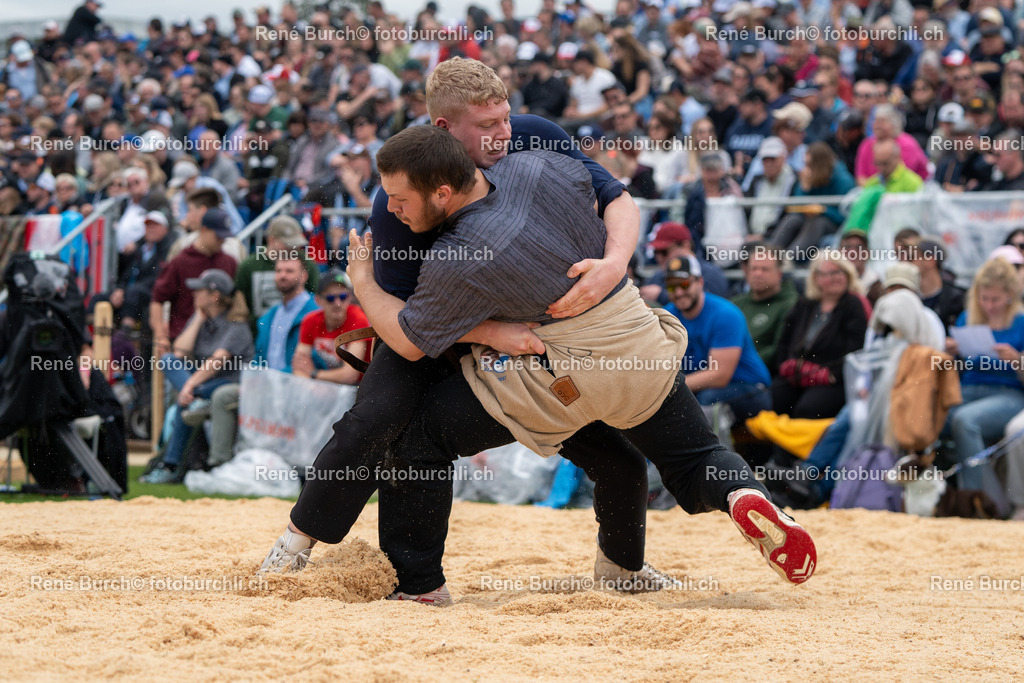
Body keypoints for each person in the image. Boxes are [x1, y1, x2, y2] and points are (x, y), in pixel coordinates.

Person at [321, 125, 817, 599]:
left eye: (400, 200)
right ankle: (738, 497)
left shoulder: (461, 255)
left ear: (444, 191)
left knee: (417, 439)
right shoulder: (545, 167)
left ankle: (419, 587)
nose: (392, 209)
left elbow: (410, 339)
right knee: (689, 458)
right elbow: (619, 197)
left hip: (556, 376)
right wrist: (617, 261)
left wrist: (363, 281)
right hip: (634, 343)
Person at [258, 57, 673, 600]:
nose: (501, 135)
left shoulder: (534, 137)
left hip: (531, 330)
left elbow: (614, 196)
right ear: (444, 129)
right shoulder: (397, 200)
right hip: (430, 332)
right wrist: (489, 334)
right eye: (485, 127)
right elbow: (410, 323)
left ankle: (623, 570)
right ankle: (301, 542)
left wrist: (615, 262)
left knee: (615, 454)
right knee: (378, 420)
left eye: (504, 118)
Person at [142, 268, 254, 483]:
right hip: (203, 385)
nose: (194, 294)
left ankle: (170, 466)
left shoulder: (236, 325)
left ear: (215, 296)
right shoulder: (204, 320)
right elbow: (179, 352)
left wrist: (188, 386)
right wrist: (197, 319)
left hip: (229, 383)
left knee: (187, 398)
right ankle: (195, 402)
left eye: (199, 290)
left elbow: (216, 362)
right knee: (168, 361)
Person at [946, 258, 1024, 499]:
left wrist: (1016, 360)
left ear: (1010, 295)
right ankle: (933, 493)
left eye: (995, 299)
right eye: (984, 298)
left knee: (965, 420)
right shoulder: (967, 318)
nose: (989, 305)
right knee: (929, 415)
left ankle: (976, 499)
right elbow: (958, 369)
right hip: (968, 388)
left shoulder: (1021, 323)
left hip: (1008, 392)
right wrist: (950, 353)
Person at [663, 255, 773, 421]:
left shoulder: (725, 314)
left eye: (684, 284)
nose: (678, 292)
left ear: (699, 282)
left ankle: (713, 447)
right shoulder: (668, 314)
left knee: (704, 401)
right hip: (701, 386)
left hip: (750, 389)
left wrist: (669, 388)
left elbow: (720, 375)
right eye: (672, 287)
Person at [773, 252, 868, 419]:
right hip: (798, 375)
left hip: (834, 379)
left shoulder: (853, 305)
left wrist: (832, 375)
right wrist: (784, 365)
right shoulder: (805, 304)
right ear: (816, 278)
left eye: (839, 272)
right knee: (774, 402)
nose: (835, 278)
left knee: (808, 410)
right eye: (828, 273)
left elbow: (857, 348)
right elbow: (784, 340)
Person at [292, 269, 369, 384]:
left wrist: (314, 374)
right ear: (318, 300)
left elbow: (350, 375)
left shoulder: (358, 319)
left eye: (343, 297)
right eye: (330, 298)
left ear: (349, 297)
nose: (337, 303)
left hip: (358, 388)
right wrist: (312, 387)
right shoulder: (310, 320)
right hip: (325, 385)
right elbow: (298, 367)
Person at [732, 243, 800, 370]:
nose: (758, 274)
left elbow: (779, 350)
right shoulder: (735, 304)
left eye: (765, 269)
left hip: (759, 377)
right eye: (754, 268)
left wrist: (737, 364)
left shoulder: (791, 305)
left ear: (779, 274)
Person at [254, 256, 319, 374]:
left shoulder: (317, 312)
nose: (282, 276)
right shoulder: (269, 316)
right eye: (278, 271)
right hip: (266, 383)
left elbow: (315, 359)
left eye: (289, 271)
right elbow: (259, 355)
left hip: (299, 383)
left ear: (304, 276)